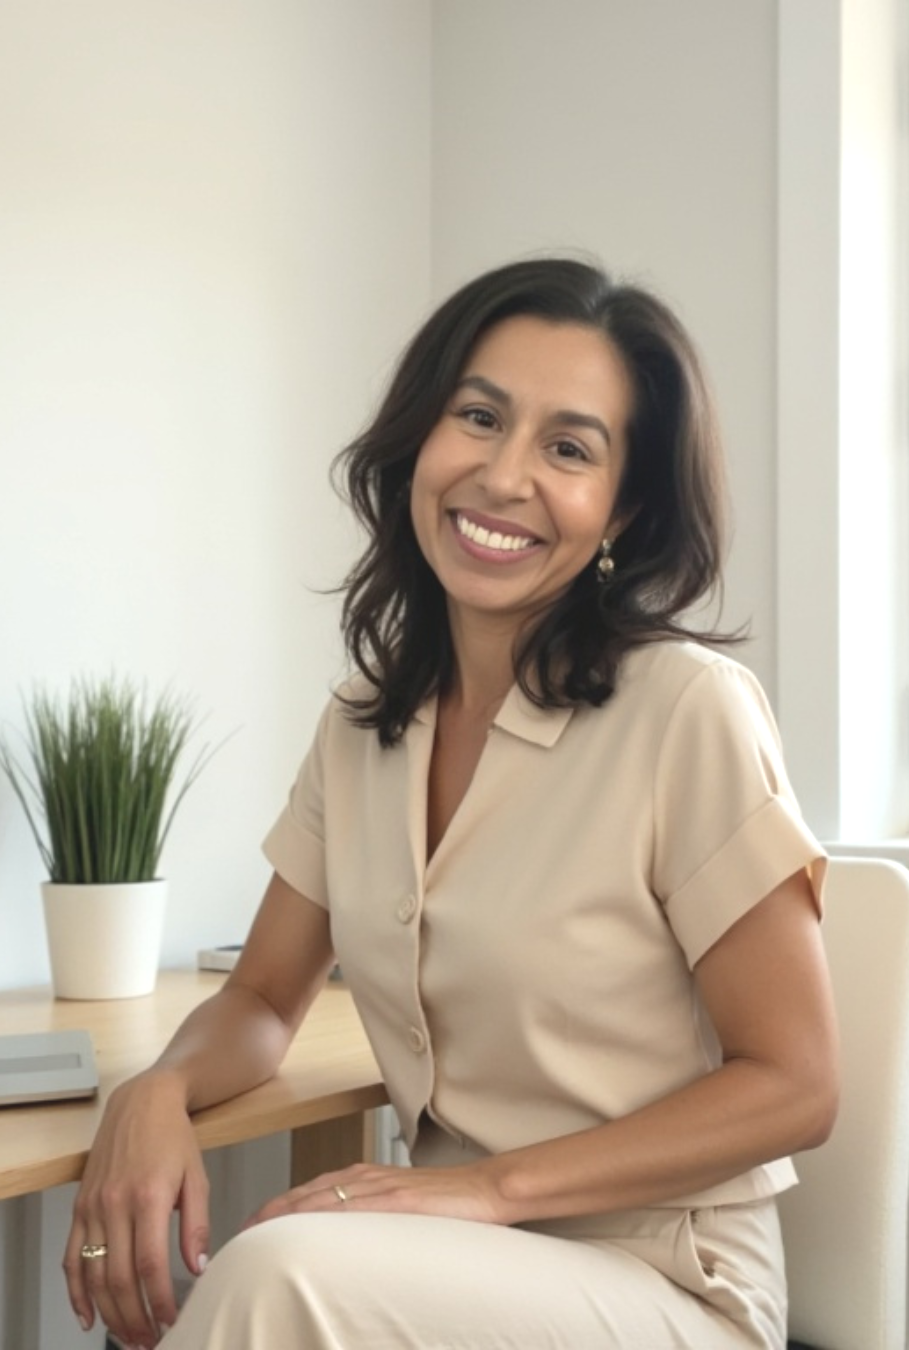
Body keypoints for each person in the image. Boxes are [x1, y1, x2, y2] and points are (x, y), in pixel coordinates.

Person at [64, 257, 839, 1350]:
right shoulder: (363, 723)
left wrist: (489, 1190)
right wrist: (156, 1090)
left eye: (568, 449)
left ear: (622, 510)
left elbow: (797, 1085)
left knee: (279, 1279)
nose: (503, 475)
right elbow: (265, 999)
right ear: (421, 439)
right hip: (445, 1260)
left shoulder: (688, 710)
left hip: (665, 1279)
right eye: (479, 417)